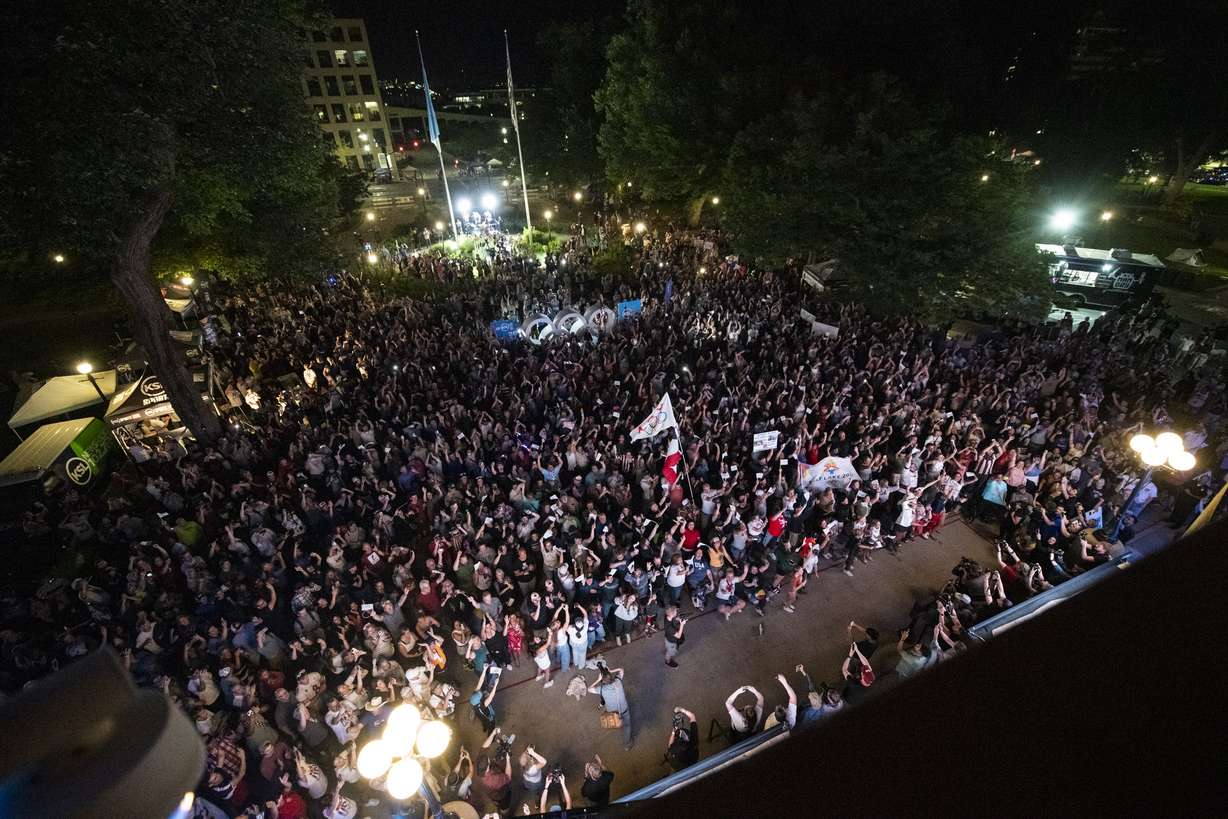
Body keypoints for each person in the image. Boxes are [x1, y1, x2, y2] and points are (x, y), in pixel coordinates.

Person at [588, 664, 634, 750]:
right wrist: (611, 670)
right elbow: (621, 669)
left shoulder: (601, 689)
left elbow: (589, 689)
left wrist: (598, 679)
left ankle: (616, 722)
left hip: (612, 712)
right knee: (627, 726)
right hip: (624, 709)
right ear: (611, 676)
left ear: (603, 680)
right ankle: (627, 745)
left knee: (611, 709)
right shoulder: (618, 681)